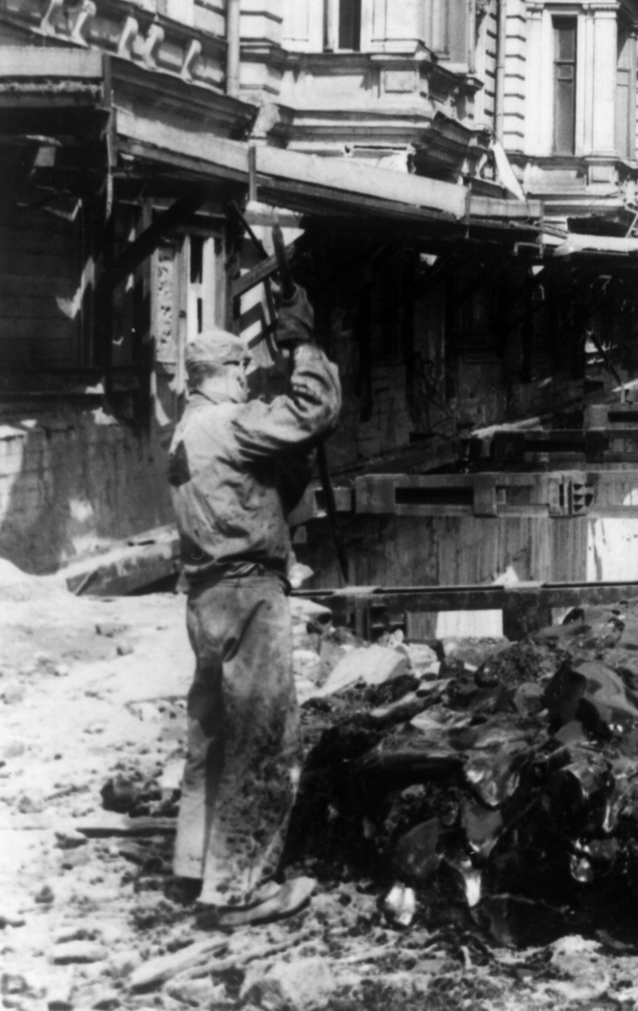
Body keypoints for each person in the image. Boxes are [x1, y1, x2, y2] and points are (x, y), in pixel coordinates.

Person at [169, 286, 341, 926]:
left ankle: (196, 866)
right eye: (242, 369)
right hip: (248, 595)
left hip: (206, 598)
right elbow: (314, 409)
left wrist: (283, 470)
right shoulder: (230, 423)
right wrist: (302, 344)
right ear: (222, 373)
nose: (248, 378)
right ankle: (240, 890)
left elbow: (241, 494)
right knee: (264, 742)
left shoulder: (186, 432)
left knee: (211, 738)